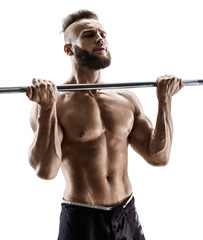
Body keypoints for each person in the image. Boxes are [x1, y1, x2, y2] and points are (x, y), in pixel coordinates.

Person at [26, 9, 183, 240]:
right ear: (69, 49)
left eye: (103, 33)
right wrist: (46, 108)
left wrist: (165, 101)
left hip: (127, 213)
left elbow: (158, 157)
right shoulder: (55, 104)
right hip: (83, 220)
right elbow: (46, 170)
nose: (100, 38)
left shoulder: (126, 100)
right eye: (89, 34)